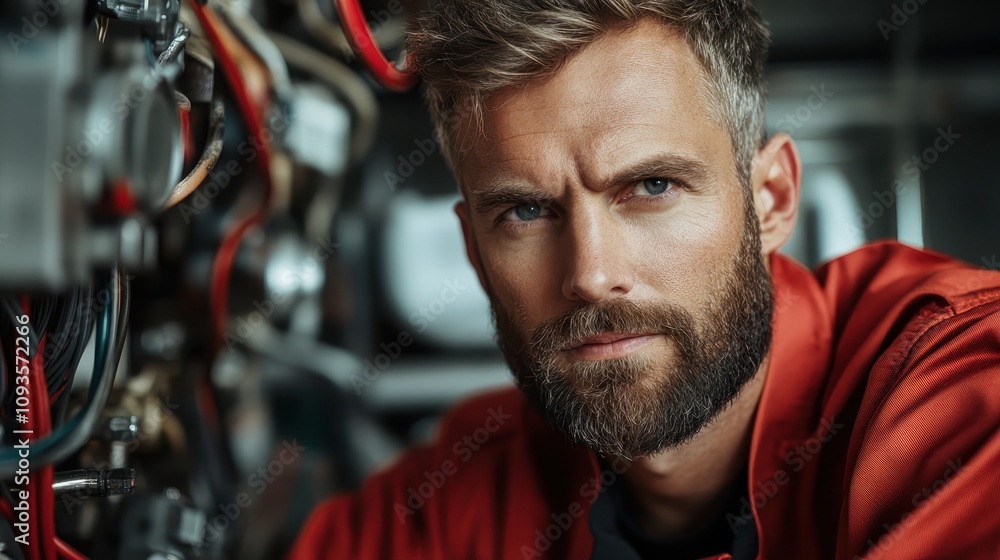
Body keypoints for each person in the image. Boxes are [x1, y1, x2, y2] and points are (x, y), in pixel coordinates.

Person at [288, 1, 1000, 558]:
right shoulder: (470, 487)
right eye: (526, 212)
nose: (591, 276)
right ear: (474, 249)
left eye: (652, 186)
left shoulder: (951, 382)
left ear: (772, 198)